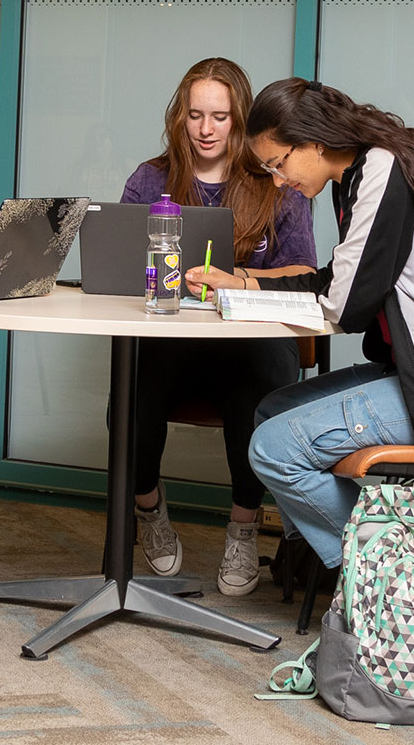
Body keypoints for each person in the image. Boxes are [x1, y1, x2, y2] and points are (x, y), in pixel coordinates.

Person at [186, 78, 414, 573]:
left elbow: (344, 307)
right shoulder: (356, 174)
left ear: (312, 141)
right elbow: (340, 278)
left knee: (271, 448)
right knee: (270, 411)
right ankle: (314, 563)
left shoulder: (380, 172)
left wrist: (251, 294)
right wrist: (243, 283)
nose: (279, 181)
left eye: (278, 164)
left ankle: (394, 575)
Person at [120, 58, 317, 596]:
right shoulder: (151, 178)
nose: (206, 129)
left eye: (221, 117)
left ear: (241, 119)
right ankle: (149, 509)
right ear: (179, 118)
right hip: (170, 339)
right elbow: (116, 260)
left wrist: (238, 280)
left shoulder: (276, 181)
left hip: (247, 342)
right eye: (195, 115)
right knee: (131, 395)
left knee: (257, 388)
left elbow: (305, 272)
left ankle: (243, 527)